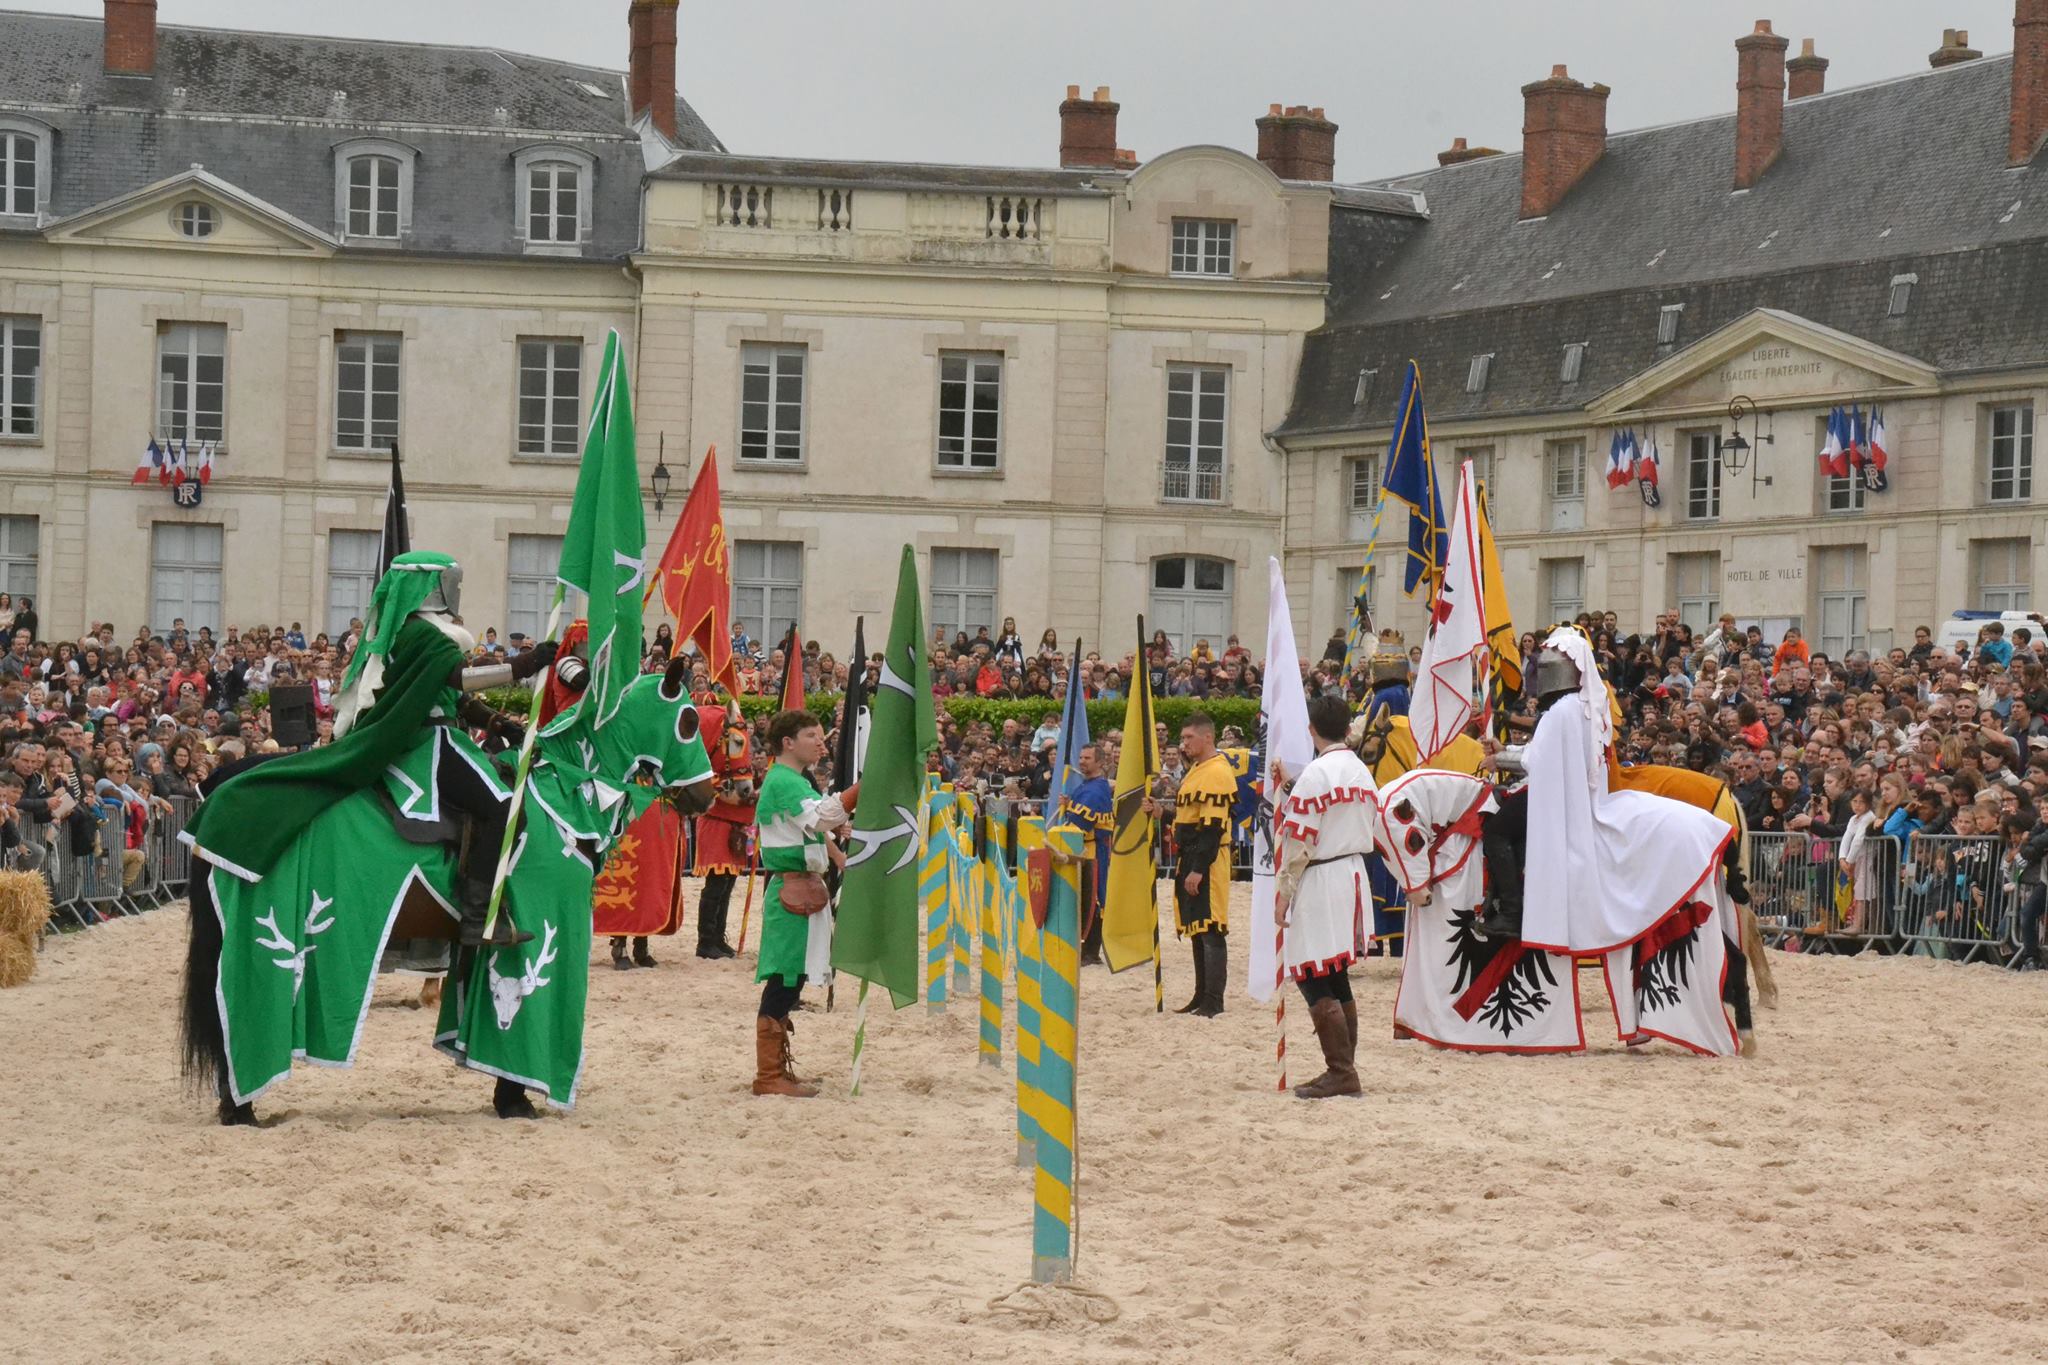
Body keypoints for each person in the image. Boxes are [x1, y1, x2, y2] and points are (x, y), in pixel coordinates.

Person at [182, 552, 557, 948]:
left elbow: (448, 696)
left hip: (432, 731)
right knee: (504, 809)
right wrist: (526, 664)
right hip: (429, 742)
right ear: (429, 587)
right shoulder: (424, 635)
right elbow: (460, 679)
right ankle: (478, 917)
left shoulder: (404, 631)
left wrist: (498, 725)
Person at [1271, 693, 1376, 1098]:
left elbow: (1301, 839)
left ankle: (1341, 1070)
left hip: (1322, 876)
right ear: (1348, 729)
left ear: (1311, 729)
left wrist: (1284, 893)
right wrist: (1291, 784)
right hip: (1350, 872)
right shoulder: (1361, 772)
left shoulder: (1317, 774)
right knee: (1335, 974)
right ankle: (1344, 1067)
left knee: (1313, 972)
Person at [750, 709, 852, 1097]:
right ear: (787, 743)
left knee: (790, 981)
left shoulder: (792, 780)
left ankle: (774, 1071)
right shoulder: (784, 781)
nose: (820, 741)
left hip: (804, 886)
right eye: (812, 735)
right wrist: (860, 789)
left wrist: (837, 851)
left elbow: (814, 824)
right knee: (783, 980)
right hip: (792, 889)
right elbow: (823, 817)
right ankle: (768, 1075)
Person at [1148, 711, 1234, 1017]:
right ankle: (1201, 995)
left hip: (1206, 859)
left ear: (1207, 737)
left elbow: (1211, 828)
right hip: (1192, 855)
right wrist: (1163, 814)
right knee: (1197, 928)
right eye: (1182, 738)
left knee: (1211, 928)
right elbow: (1190, 818)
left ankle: (1214, 999)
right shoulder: (1198, 769)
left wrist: (1198, 868)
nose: (1183, 743)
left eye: (1188, 737)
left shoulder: (1216, 772)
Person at [1056, 743, 1113, 966]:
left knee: (1093, 898)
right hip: (1085, 848)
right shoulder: (1086, 785)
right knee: (1086, 896)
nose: (1082, 761)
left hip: (1092, 849)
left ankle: (1091, 951)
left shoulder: (1097, 789)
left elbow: (1081, 821)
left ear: (1099, 762)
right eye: (1081, 757)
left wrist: (1070, 808)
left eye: (1087, 758)